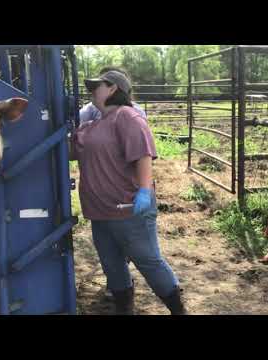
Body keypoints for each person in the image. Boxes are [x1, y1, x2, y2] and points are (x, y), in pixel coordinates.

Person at [70, 70, 186, 315]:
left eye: (97, 86)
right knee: (112, 266)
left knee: (149, 261)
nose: (92, 90)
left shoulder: (127, 116)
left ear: (113, 89)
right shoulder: (93, 124)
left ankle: (178, 310)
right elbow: (71, 151)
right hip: (100, 213)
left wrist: (144, 190)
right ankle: (124, 310)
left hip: (128, 208)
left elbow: (142, 154)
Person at [79, 67, 146, 124]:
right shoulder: (92, 108)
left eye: (98, 85)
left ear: (112, 89)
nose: (92, 89)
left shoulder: (133, 115)